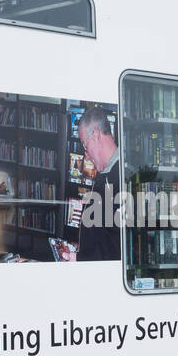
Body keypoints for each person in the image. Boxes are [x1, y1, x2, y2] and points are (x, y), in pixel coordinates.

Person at [64, 105, 121, 261]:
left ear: (95, 135)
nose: (86, 156)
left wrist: (80, 259)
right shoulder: (107, 174)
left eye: (85, 146)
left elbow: (115, 249)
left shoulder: (120, 177)